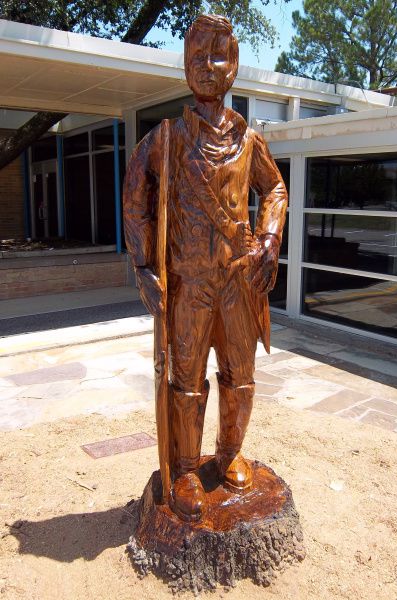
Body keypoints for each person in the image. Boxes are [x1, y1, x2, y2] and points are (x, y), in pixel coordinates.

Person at [124, 14, 287, 523]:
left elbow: (275, 190)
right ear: (186, 67)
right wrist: (144, 264)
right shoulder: (166, 139)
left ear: (235, 65)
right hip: (189, 285)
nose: (209, 67)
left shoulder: (248, 140)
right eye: (197, 58)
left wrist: (268, 238)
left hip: (239, 284)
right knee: (187, 379)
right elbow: (136, 202)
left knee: (240, 376)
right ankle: (188, 467)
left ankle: (230, 452)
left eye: (218, 57)